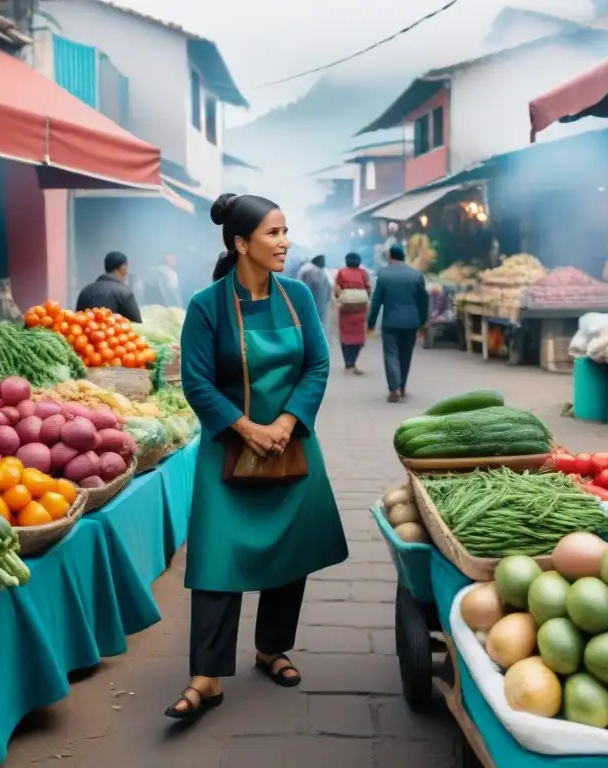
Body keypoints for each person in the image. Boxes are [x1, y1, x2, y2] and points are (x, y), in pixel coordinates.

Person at [168, 193, 348, 723]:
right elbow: (196, 381)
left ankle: (272, 648)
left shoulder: (297, 296)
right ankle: (207, 675)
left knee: (289, 554)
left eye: (285, 232)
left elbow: (317, 365)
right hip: (228, 448)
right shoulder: (206, 306)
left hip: (290, 442)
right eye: (273, 234)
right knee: (215, 559)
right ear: (241, 243)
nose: (285, 243)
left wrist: (286, 424)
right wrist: (245, 428)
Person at [367, 244, 428, 403]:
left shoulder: (384, 274)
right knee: (405, 356)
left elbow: (376, 301)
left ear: (390, 256)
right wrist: (423, 322)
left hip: (391, 322)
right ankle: (402, 387)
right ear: (404, 256)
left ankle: (394, 389)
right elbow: (423, 301)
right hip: (411, 323)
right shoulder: (416, 275)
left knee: (391, 355)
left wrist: (371, 323)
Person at [75, 251, 142, 322]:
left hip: (89, 332)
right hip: (117, 333)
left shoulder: (85, 291)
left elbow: (77, 322)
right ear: (123, 267)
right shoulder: (124, 292)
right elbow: (136, 323)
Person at [335, 252, 371, 374]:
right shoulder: (363, 273)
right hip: (360, 309)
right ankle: (353, 362)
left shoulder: (341, 272)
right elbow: (368, 289)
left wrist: (342, 298)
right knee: (358, 336)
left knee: (345, 335)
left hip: (346, 309)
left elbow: (337, 290)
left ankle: (348, 363)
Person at [297, 254, 332, 331]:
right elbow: (329, 294)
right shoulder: (326, 274)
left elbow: (298, 288)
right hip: (321, 306)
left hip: (306, 306)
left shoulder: (305, 270)